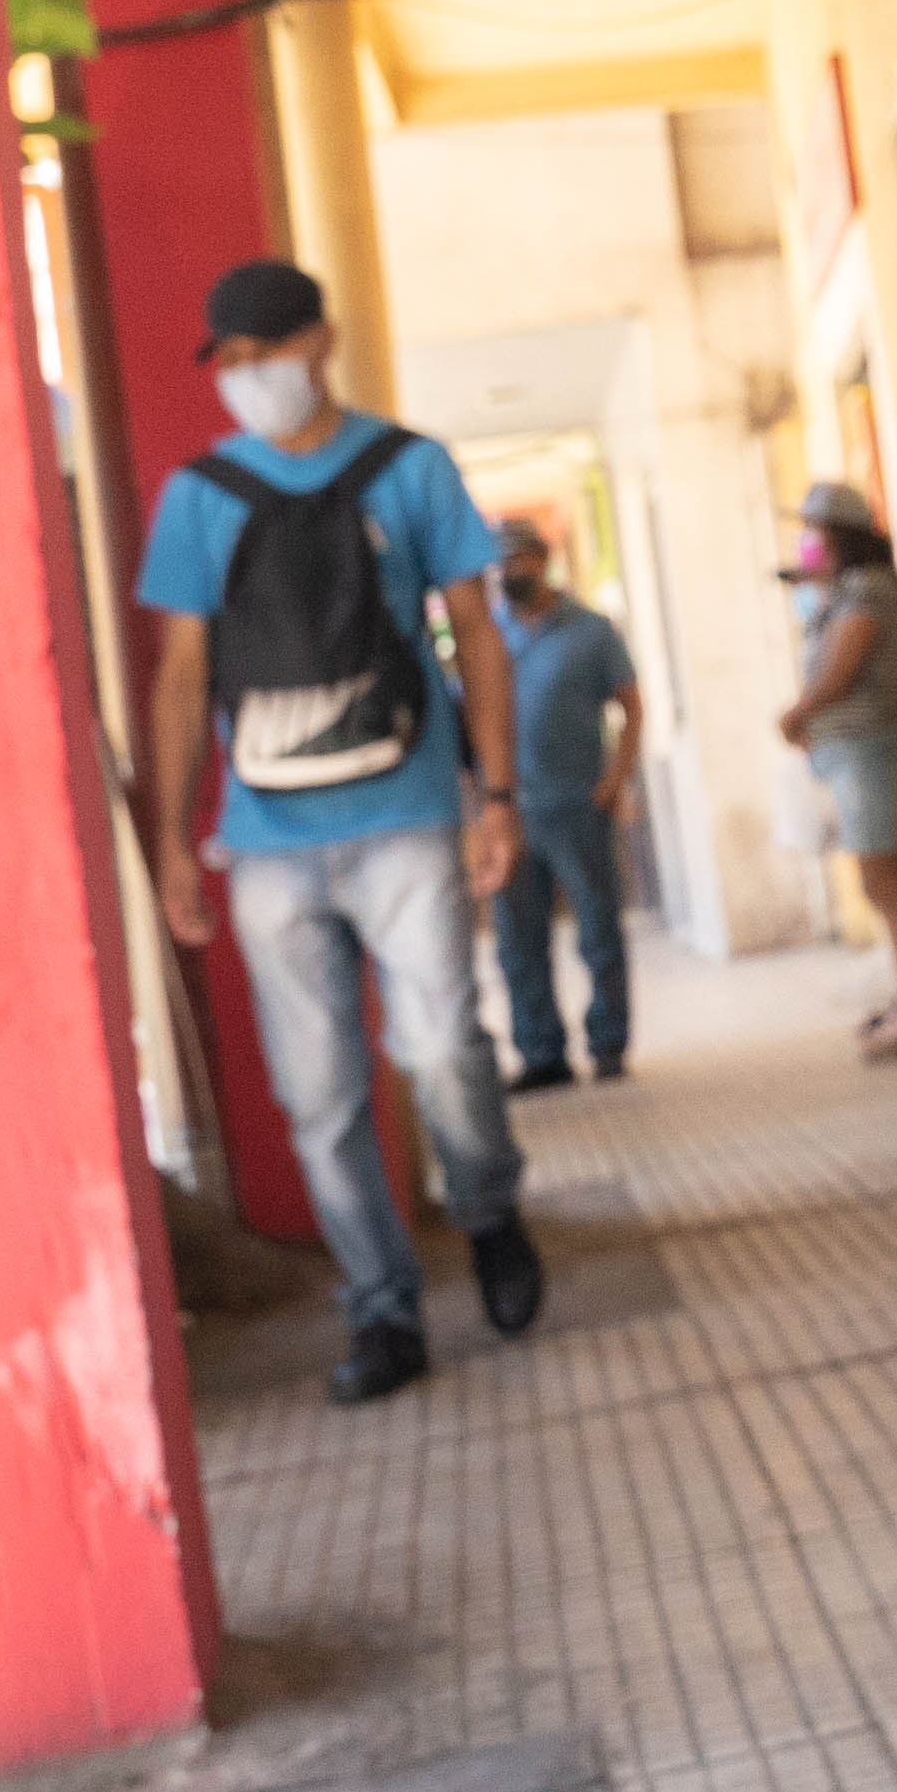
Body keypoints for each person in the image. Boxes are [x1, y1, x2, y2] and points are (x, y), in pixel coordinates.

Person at [133, 258, 544, 1407]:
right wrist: (173, 838)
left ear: (325, 340)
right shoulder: (199, 493)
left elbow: (477, 631)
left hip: (409, 811)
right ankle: (383, 1309)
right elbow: (179, 678)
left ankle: (490, 1210)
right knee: (318, 1092)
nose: (254, 377)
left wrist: (494, 793)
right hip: (264, 839)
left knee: (445, 1047)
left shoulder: (408, 468)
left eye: (271, 350)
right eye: (235, 360)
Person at [773, 480, 897, 1058]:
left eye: (816, 532)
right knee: (877, 878)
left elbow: (845, 665)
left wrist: (799, 712)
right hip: (851, 749)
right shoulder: (844, 588)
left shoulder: (869, 589)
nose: (809, 543)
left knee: (887, 876)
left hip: (870, 745)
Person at [484, 518, 645, 1090]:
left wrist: (615, 780)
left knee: (597, 931)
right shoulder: (486, 636)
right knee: (517, 943)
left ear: (541, 559)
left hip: (578, 806)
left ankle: (608, 1044)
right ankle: (541, 1054)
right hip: (511, 816)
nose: (508, 572)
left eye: (518, 559)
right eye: (499, 562)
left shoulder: (593, 632)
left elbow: (632, 707)